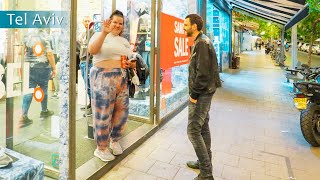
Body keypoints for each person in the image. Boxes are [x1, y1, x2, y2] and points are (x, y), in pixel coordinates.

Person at [88, 10, 136, 162]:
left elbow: (130, 58)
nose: (117, 25)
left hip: (121, 78)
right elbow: (92, 51)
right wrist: (103, 33)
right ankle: (101, 148)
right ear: (109, 21)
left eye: (120, 23)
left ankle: (114, 140)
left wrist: (131, 63)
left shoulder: (124, 41)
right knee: (103, 113)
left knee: (121, 112)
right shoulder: (99, 35)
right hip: (102, 77)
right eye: (115, 22)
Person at [183, 14, 221, 180]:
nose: (183, 27)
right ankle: (204, 162)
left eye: (186, 25)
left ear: (194, 26)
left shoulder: (202, 43)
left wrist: (194, 94)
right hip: (205, 91)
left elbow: (203, 74)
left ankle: (206, 173)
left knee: (193, 130)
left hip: (202, 93)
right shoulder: (200, 41)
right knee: (203, 127)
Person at [19, 29, 56, 128]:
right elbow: (49, 54)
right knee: (43, 88)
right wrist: (54, 68)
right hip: (43, 67)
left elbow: (20, 52)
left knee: (29, 90)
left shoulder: (27, 35)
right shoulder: (45, 36)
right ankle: (44, 111)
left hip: (29, 67)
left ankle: (23, 116)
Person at [78, 16, 95, 114]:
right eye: (85, 21)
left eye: (89, 21)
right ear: (82, 22)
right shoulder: (83, 34)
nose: (87, 22)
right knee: (87, 85)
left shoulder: (93, 33)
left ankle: (93, 106)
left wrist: (91, 59)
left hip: (89, 62)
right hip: (82, 62)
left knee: (90, 85)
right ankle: (90, 103)